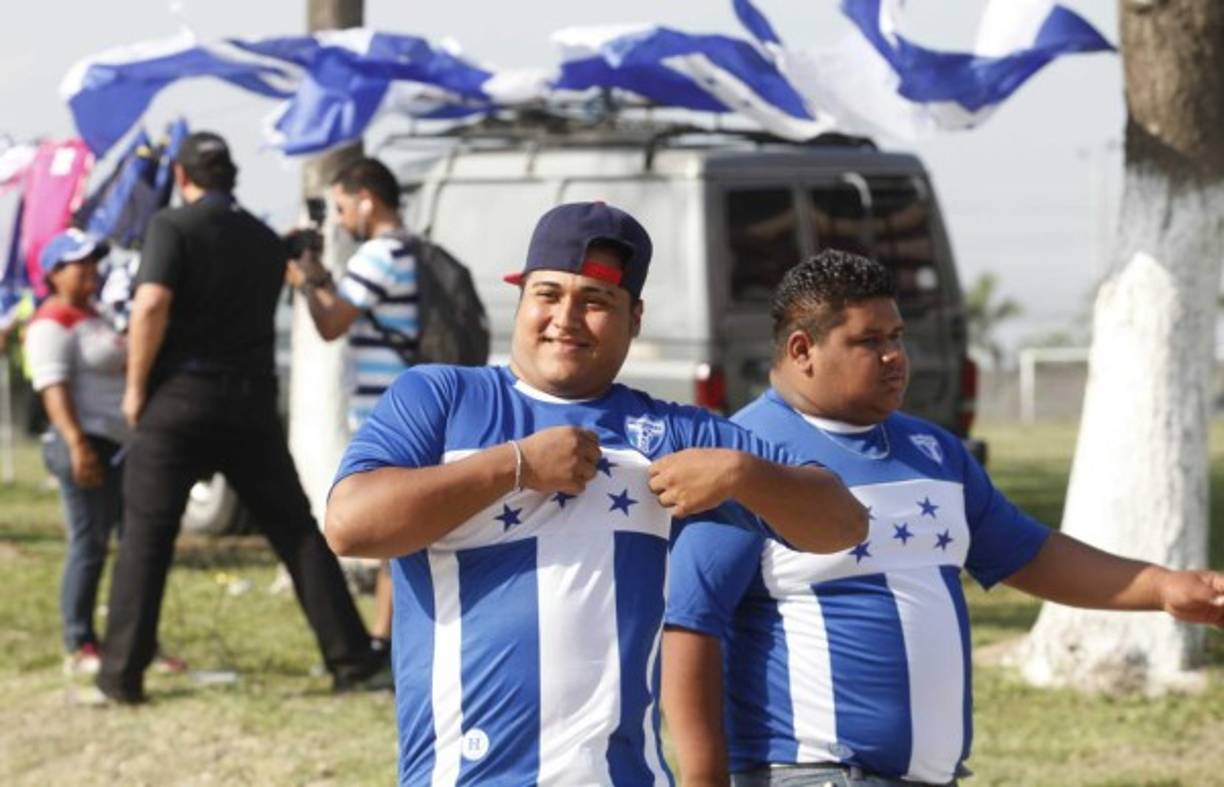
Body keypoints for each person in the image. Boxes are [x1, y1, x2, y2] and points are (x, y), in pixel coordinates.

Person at [325, 201, 868, 785]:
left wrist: (743, 473)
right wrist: (514, 466)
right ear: (521, 299)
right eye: (549, 294)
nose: (566, 318)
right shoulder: (441, 397)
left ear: (634, 318)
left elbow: (843, 525)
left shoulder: (671, 433)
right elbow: (350, 526)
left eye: (596, 302)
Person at [661, 249, 1224, 787]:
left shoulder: (934, 449)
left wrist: (1164, 587)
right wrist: (706, 778)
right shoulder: (743, 458)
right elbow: (691, 624)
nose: (895, 357)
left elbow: (1028, 552)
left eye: (898, 337)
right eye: (870, 341)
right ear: (804, 349)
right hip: (812, 772)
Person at [94, 131, 387, 704]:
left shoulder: (171, 227)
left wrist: (134, 387)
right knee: (296, 532)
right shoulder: (262, 238)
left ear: (182, 178)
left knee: (147, 537)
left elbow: (151, 303)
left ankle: (121, 675)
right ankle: (351, 659)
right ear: (232, 178)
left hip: (179, 399)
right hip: (251, 401)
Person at [286, 156, 414, 652]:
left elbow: (332, 323)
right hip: (402, 400)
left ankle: (386, 637)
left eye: (342, 208)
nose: (340, 220)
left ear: (366, 200)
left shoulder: (379, 254)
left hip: (388, 409)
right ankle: (386, 635)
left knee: (392, 525)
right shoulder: (410, 247)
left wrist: (307, 281)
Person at [24, 230, 126, 676]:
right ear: (54, 273)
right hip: (84, 441)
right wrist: (77, 443)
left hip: (117, 442)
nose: (91, 270)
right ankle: (79, 639)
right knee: (89, 543)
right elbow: (53, 388)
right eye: (79, 263)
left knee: (121, 543)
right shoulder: (51, 322)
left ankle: (126, 636)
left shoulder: (96, 314)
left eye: (94, 261)